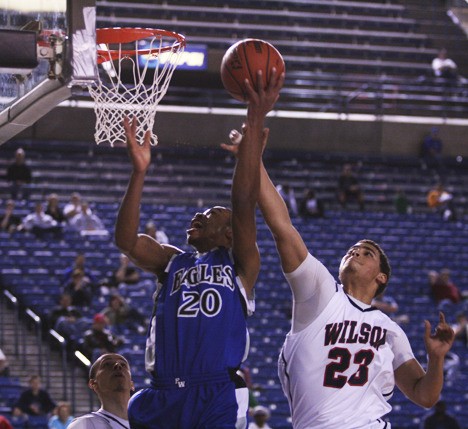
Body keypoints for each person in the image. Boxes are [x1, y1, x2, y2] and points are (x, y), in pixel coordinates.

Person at [222, 125, 455, 428]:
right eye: (352, 250)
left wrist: (435, 360)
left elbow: (424, 396)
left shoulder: (390, 330)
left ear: (382, 277)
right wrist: (253, 160)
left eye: (366, 252)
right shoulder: (320, 292)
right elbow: (282, 228)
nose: (355, 253)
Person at [114, 68, 283, 429]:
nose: (198, 214)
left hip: (215, 394)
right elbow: (126, 241)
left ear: (228, 235)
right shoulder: (171, 261)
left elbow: (243, 200)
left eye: (210, 214)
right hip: (163, 393)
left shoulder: (241, 263)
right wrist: (139, 172)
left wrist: (255, 119)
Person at [67, 353, 134, 429]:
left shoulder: (147, 421)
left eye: (123, 365)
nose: (117, 365)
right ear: (93, 384)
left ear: (132, 384)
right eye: (107, 364)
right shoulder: (84, 424)